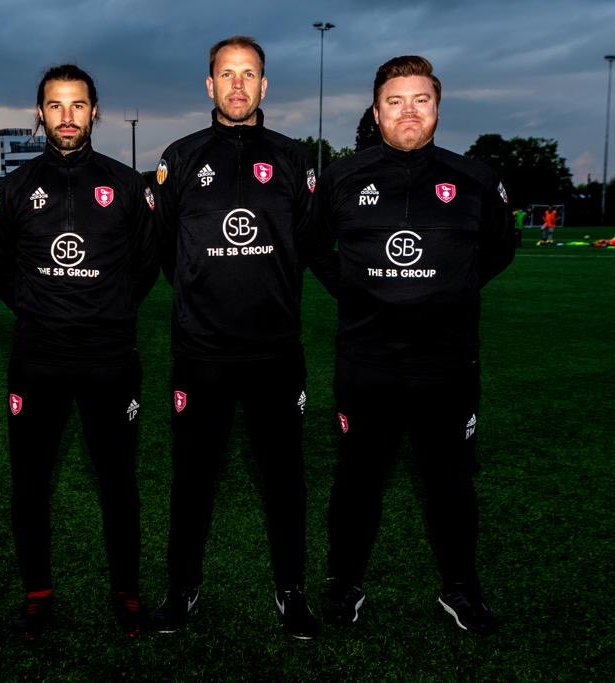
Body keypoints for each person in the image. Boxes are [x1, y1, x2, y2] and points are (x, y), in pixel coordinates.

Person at [313, 55, 515, 635]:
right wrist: (362, 293)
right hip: (367, 361)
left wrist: (449, 289)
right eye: (395, 101)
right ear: (377, 112)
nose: (408, 111)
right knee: (357, 479)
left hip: (446, 363)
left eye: (420, 100)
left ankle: (461, 588)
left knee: (450, 480)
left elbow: (499, 250)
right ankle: (344, 583)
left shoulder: (475, 179)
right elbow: (317, 248)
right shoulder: (342, 179)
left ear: (437, 108)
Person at [151, 35, 329, 640]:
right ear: (209, 85)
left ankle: (292, 592)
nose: (236, 85)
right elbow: (166, 250)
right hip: (201, 353)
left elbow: (306, 244)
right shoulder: (179, 157)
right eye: (226, 74)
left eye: (248, 74)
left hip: (275, 353)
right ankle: (181, 592)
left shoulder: (293, 158)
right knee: (192, 478)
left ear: (264, 86)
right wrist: (204, 292)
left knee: (285, 479)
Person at [0, 64, 158, 640]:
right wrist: (39, 305)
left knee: (118, 482)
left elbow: (145, 266)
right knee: (30, 483)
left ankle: (127, 594)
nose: (67, 116)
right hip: (38, 358)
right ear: (40, 114)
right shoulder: (12, 188)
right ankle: (37, 595)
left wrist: (104, 308)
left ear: (95, 111)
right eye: (55, 106)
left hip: (109, 357)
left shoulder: (127, 186)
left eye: (78, 105)